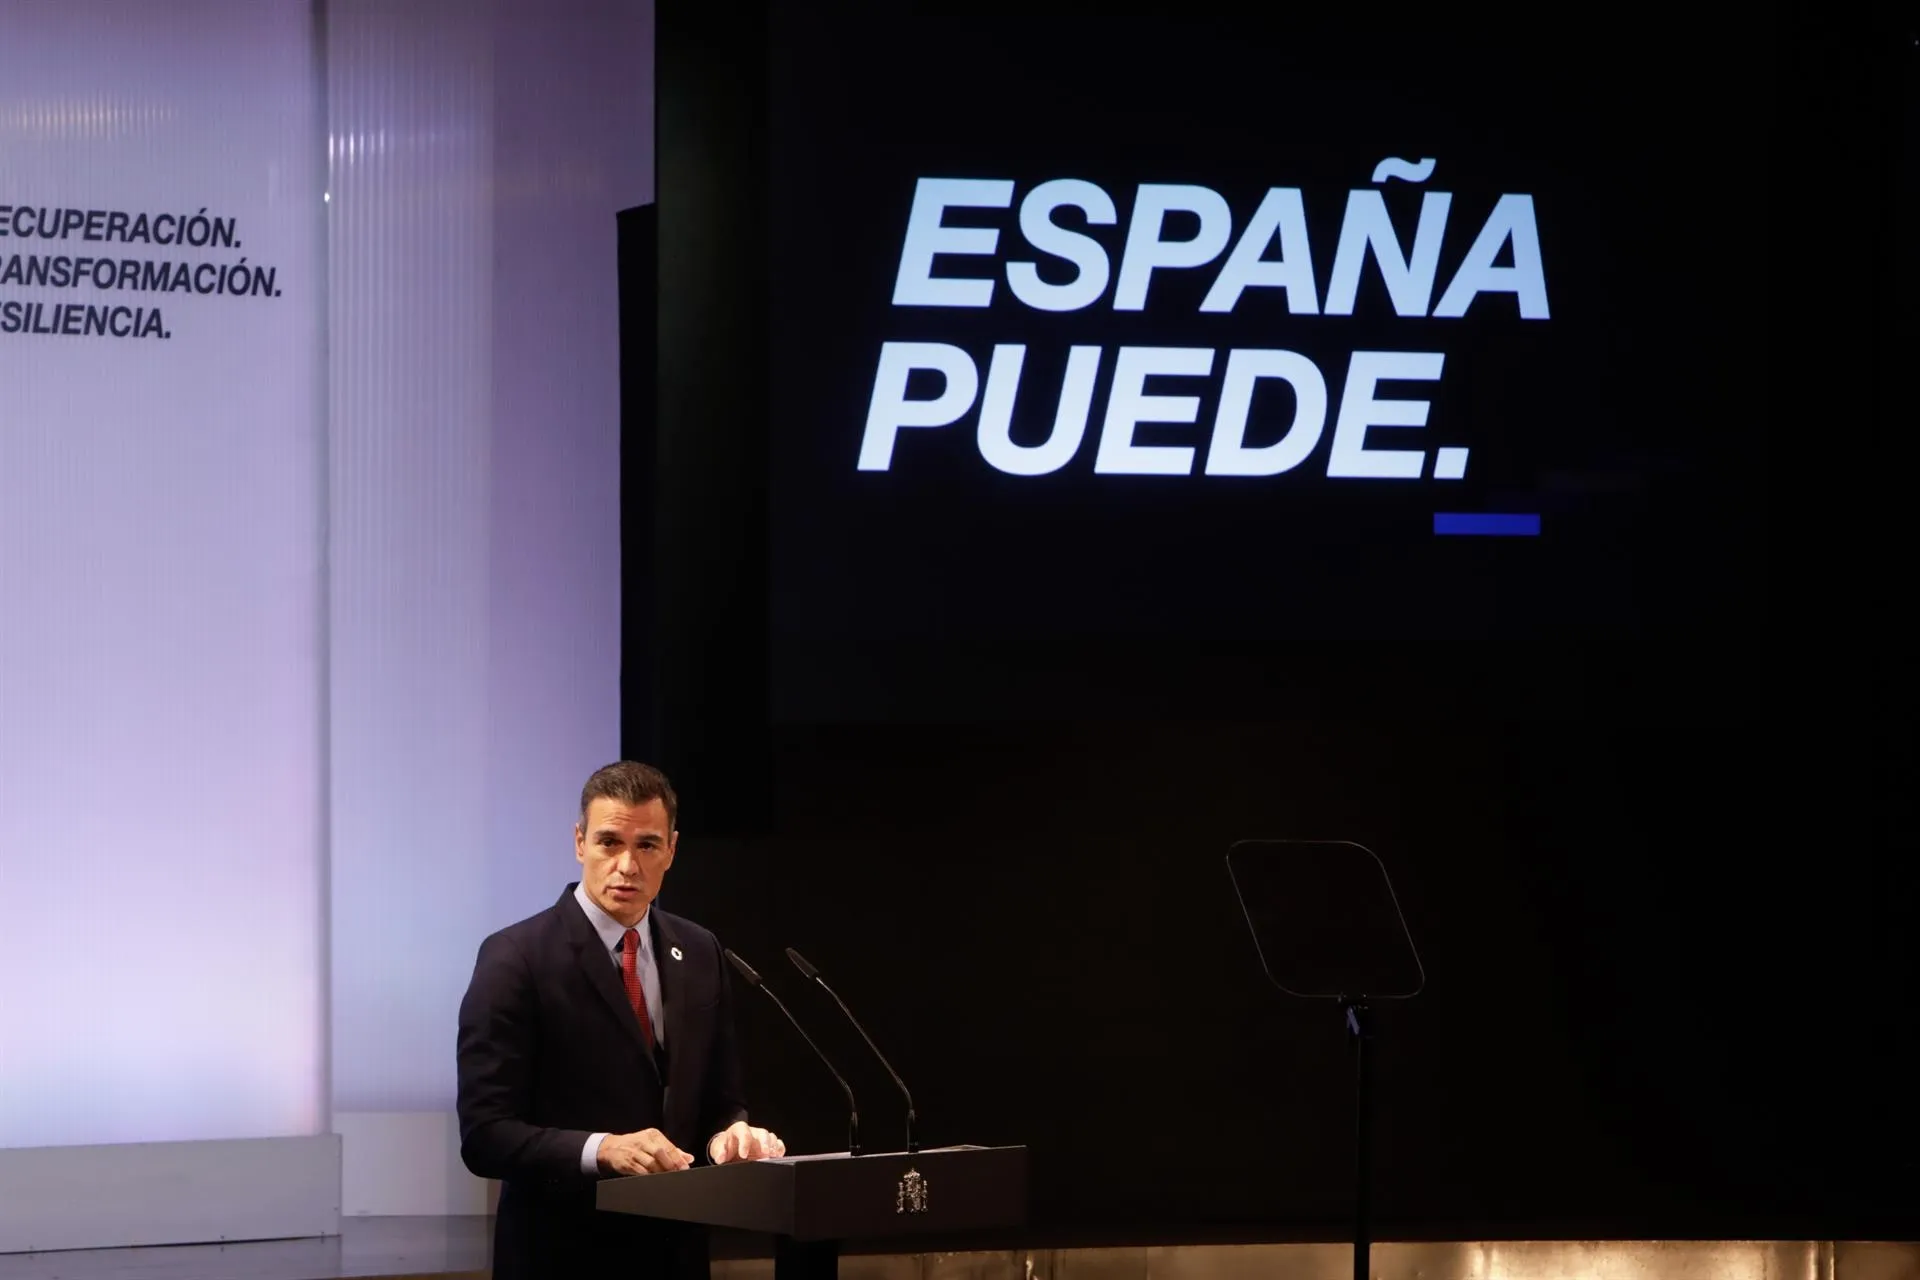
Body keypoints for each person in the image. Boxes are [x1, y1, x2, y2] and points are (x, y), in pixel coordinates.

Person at [457, 761, 784, 1278]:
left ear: (672, 850)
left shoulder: (699, 950)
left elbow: (722, 1099)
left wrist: (732, 1135)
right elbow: (486, 1135)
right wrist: (602, 1150)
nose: (627, 866)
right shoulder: (515, 957)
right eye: (609, 842)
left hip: (676, 1251)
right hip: (562, 1255)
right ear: (579, 842)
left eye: (647, 845)